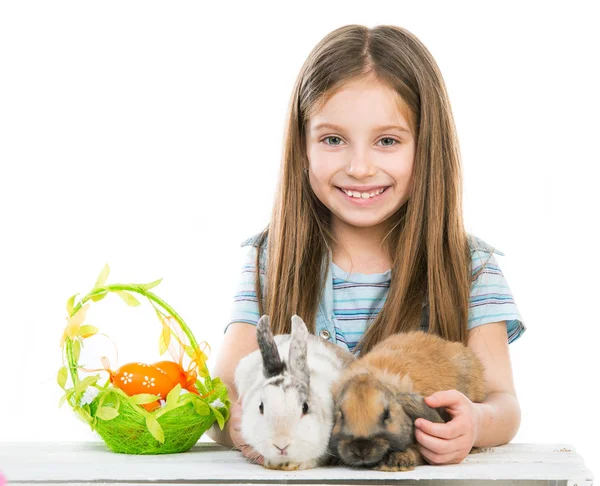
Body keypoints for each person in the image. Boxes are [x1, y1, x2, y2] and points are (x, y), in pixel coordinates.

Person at [208, 23, 525, 466]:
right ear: (302, 146)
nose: (360, 167)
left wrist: (473, 421)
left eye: (388, 141)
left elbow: (503, 403)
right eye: (333, 139)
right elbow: (222, 391)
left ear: (427, 147)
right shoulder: (269, 257)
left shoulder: (470, 267)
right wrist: (242, 422)